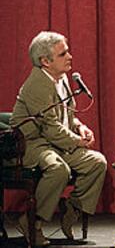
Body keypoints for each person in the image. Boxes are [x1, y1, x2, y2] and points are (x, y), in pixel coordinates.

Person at [10, 31, 107, 246]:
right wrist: (76, 141)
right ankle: (31, 222)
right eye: (63, 54)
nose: (70, 56)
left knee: (97, 162)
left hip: (55, 142)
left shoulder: (61, 78)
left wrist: (81, 127)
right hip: (31, 143)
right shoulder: (37, 83)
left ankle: (72, 209)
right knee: (58, 169)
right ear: (45, 61)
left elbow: (66, 115)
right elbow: (50, 127)